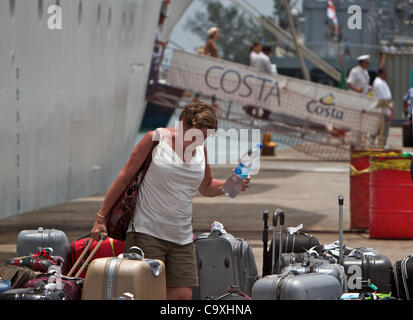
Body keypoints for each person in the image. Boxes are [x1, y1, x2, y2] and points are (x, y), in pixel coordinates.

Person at [90, 102, 251, 300]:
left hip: (181, 237)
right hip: (146, 232)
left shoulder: (201, 150)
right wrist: (100, 218)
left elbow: (206, 186)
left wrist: (231, 184)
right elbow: (123, 178)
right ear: (182, 123)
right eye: (195, 136)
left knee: (182, 298)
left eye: (204, 138)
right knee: (148, 294)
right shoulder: (154, 139)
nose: (198, 143)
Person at [373, 68, 394, 146]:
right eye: (385, 74)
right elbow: (382, 97)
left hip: (386, 110)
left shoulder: (382, 82)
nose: (386, 75)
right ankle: (380, 145)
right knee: (380, 131)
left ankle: (382, 145)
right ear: (381, 74)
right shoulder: (378, 83)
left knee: (383, 131)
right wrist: (389, 106)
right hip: (382, 111)